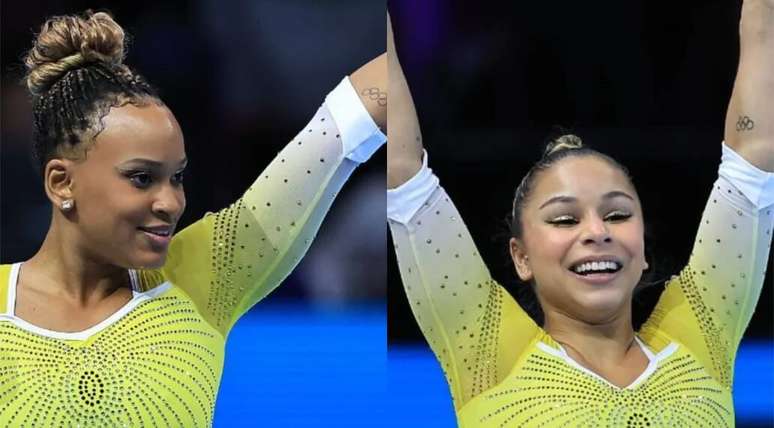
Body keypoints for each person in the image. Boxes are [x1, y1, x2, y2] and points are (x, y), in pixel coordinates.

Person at [387, 1, 773, 425]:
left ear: (642, 248)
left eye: (618, 215)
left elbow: (753, 154)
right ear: (522, 256)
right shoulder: (488, 352)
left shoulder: (701, 333)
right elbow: (403, 170)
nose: (596, 231)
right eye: (565, 219)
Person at [0, 10, 385, 426]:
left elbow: (349, 122)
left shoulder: (207, 274)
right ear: (62, 183)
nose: (170, 202)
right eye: (141, 178)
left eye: (177, 177)